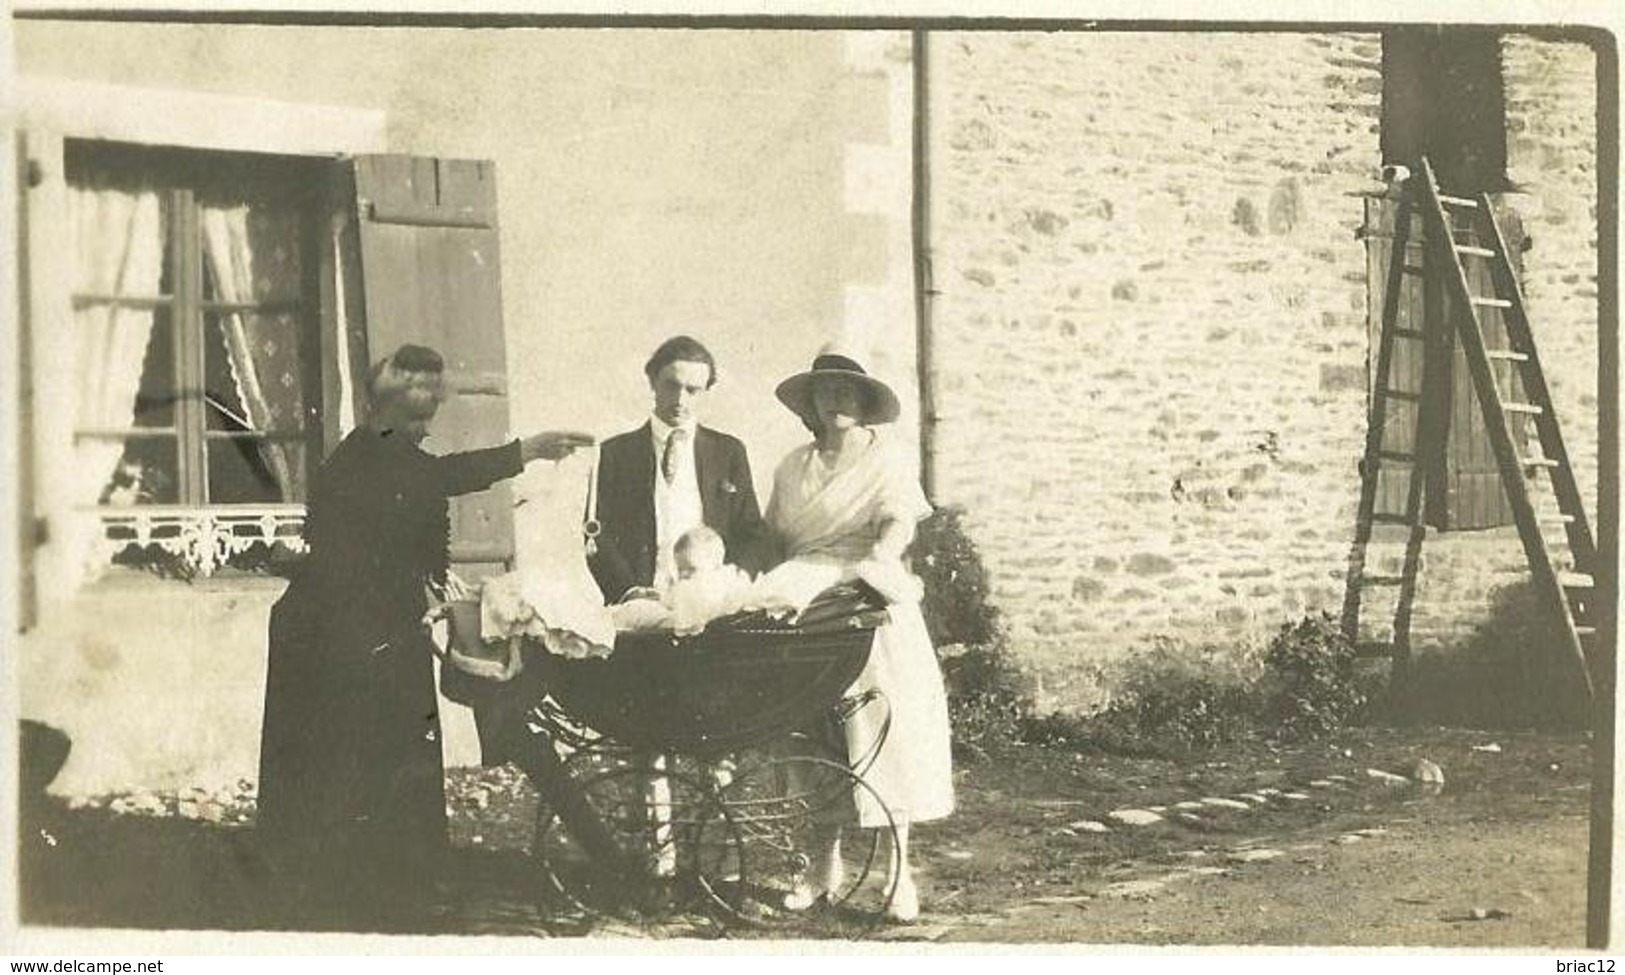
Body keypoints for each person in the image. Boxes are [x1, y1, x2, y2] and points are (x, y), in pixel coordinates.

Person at [255, 343, 593, 923]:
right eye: (414, 417)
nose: (423, 428)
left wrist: (432, 587)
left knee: (393, 751)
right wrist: (525, 451)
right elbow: (431, 487)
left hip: (374, 625)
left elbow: (422, 503)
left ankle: (388, 876)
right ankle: (365, 888)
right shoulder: (364, 458)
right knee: (358, 757)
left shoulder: (393, 453)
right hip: (338, 632)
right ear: (382, 409)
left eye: (428, 416)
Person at [764, 343, 954, 924]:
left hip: (865, 588)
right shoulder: (793, 466)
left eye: (847, 391)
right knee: (809, 732)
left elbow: (898, 521)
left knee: (883, 729)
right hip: (801, 595)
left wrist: (880, 559)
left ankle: (899, 875)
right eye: (825, 392)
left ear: (864, 401)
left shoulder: (885, 460)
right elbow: (776, 535)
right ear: (811, 403)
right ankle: (822, 866)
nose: (835, 401)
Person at [589, 335, 766, 604]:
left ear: (706, 390)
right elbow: (595, 533)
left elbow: (751, 533)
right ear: (653, 382)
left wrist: (731, 586)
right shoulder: (614, 454)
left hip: (710, 603)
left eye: (692, 390)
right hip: (640, 604)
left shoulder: (728, 452)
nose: (680, 399)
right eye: (671, 385)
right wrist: (628, 591)